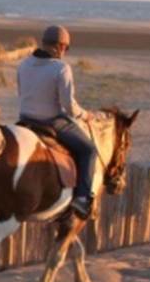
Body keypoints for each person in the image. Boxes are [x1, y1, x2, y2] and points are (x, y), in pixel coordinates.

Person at [16, 24, 97, 219]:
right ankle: (82, 198)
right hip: (50, 122)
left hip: (25, 119)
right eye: (66, 48)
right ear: (61, 46)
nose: (65, 52)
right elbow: (68, 106)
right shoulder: (61, 68)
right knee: (89, 150)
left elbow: (21, 92)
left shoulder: (24, 64)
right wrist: (85, 115)